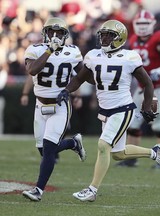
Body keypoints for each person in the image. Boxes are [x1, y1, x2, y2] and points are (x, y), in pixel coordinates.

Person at [56, 19, 160, 202]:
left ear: (120, 38)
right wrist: (66, 90)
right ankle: (154, 152)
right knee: (118, 154)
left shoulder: (129, 57)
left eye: (110, 35)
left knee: (103, 146)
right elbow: (80, 78)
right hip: (105, 110)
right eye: (103, 34)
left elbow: (147, 83)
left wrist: (147, 106)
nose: (105, 38)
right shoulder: (93, 55)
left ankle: (92, 190)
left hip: (123, 108)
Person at [22, 17, 86, 202]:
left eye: (59, 33)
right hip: (40, 105)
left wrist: (69, 90)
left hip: (60, 106)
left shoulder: (72, 52)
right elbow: (32, 70)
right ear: (45, 33)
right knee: (44, 150)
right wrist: (50, 50)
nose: (55, 36)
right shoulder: (35, 49)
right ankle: (73, 144)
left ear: (65, 35)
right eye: (51, 32)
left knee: (49, 150)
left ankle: (38, 191)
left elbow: (82, 75)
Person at [117, 9, 160, 168]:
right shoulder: (134, 39)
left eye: (146, 23)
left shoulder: (159, 38)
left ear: (153, 24)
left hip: (158, 89)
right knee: (132, 124)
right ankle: (131, 159)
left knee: (158, 124)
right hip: (142, 89)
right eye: (139, 23)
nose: (142, 27)